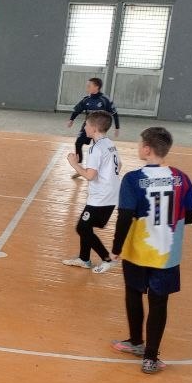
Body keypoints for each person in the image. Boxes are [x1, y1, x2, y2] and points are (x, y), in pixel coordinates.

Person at [109, 126, 192, 374]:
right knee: (159, 304)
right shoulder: (181, 178)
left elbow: (125, 216)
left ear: (147, 149)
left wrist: (116, 248)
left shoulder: (133, 179)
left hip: (138, 251)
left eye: (139, 145)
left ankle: (136, 341)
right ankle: (150, 358)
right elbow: (191, 216)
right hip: (167, 254)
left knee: (134, 293)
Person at [62, 111, 122, 272]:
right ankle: (84, 258)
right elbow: (119, 165)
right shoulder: (109, 144)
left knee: (82, 227)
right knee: (86, 226)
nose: (84, 127)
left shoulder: (96, 148)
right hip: (110, 194)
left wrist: (74, 163)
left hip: (100, 197)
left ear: (94, 128)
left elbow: (90, 175)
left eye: (86, 124)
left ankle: (106, 258)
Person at [66, 77, 120, 177]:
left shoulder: (105, 100)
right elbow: (77, 110)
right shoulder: (86, 99)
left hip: (99, 128)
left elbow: (115, 113)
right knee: (78, 143)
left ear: (97, 87)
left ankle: (97, 169)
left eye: (89, 85)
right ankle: (80, 167)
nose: (87, 87)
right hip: (87, 126)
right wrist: (71, 119)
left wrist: (117, 127)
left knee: (98, 148)